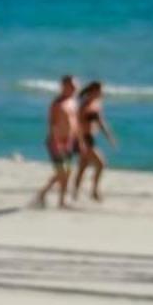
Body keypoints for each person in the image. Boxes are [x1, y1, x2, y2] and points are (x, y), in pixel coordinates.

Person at [35, 75, 80, 207]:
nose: (75, 88)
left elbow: (75, 123)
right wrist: (56, 142)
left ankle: (47, 195)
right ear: (64, 86)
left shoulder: (73, 102)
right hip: (57, 141)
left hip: (69, 141)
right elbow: (52, 124)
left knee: (67, 172)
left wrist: (79, 140)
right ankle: (57, 199)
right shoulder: (57, 104)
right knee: (62, 172)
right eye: (72, 86)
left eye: (76, 86)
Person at [75, 80, 116, 202]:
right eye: (101, 90)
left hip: (91, 138)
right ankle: (94, 191)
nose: (102, 93)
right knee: (101, 164)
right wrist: (80, 140)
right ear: (94, 91)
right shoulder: (84, 105)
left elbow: (101, 121)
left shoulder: (97, 103)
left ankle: (75, 191)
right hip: (84, 138)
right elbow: (78, 123)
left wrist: (109, 136)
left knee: (83, 166)